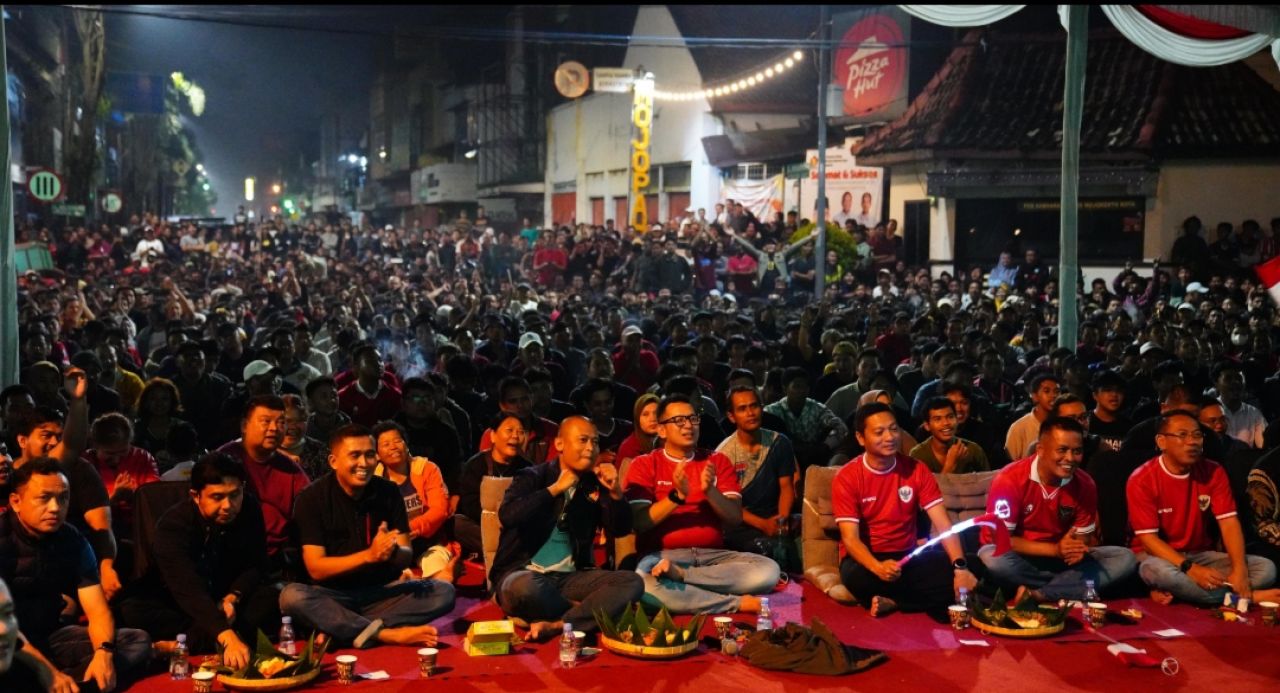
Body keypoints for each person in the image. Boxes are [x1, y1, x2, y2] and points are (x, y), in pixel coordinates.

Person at [280, 424, 456, 648]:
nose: (364, 463)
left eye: (370, 455)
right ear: (334, 462)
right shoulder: (311, 498)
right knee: (291, 597)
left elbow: (405, 553)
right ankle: (385, 634)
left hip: (381, 593)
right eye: (355, 455)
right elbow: (316, 567)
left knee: (444, 592)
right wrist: (369, 556)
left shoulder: (388, 492)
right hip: (332, 595)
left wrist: (392, 552)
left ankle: (341, 629)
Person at [1, 458, 152, 691]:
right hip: (9, 643)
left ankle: (64, 683)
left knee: (135, 640)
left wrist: (104, 653)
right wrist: (45, 670)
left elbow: (97, 609)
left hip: (50, 637)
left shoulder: (72, 539)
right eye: (44, 498)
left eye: (63, 498)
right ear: (16, 502)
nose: (55, 507)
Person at [116, 453, 278, 670]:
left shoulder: (249, 508)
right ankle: (214, 637)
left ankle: (179, 644)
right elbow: (186, 588)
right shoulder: (173, 526)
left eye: (235, 494)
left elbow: (257, 564)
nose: (229, 505)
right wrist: (227, 636)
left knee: (271, 597)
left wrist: (233, 597)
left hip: (227, 596)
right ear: (195, 495)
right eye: (217, 497)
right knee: (132, 610)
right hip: (182, 602)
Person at [625, 395, 780, 614]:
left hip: (714, 558)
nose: (688, 425)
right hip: (662, 558)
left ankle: (684, 580)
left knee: (768, 571)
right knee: (643, 584)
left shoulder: (717, 461)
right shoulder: (644, 464)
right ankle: (734, 603)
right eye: (679, 420)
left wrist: (710, 491)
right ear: (661, 430)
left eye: (692, 418)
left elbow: (734, 518)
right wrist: (676, 497)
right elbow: (639, 523)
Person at [491, 417, 643, 639]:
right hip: (523, 572)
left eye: (595, 442)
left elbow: (620, 530)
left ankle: (558, 625)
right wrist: (554, 490)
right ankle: (586, 610)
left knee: (632, 582)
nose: (591, 448)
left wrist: (616, 494)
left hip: (570, 578)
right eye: (583, 440)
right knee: (523, 588)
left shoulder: (594, 483)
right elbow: (508, 516)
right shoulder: (533, 476)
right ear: (560, 444)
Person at [832, 403, 978, 617]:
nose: (890, 437)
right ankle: (922, 599)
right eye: (879, 432)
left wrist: (960, 568)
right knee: (856, 578)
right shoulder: (847, 477)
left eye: (893, 429)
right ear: (861, 438)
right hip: (867, 559)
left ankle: (894, 602)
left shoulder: (916, 469)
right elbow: (851, 540)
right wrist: (877, 567)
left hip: (907, 556)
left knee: (972, 565)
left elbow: (943, 524)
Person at [1127, 411, 1279, 606]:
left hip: (1199, 553)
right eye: (1182, 435)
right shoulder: (1142, 478)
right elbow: (1148, 541)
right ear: (1162, 441)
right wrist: (1191, 569)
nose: (1192, 442)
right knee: (1159, 572)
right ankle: (1245, 597)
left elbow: (1229, 523)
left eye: (1197, 435)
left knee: (1265, 568)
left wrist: (1239, 570)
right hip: (1156, 557)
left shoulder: (1213, 471)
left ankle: (1192, 592)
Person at [979, 417, 1137, 601]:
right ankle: (1066, 587)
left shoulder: (1085, 484)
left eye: (1077, 451)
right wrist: (1055, 549)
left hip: (1061, 561)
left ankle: (1039, 594)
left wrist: (1076, 548)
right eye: (1062, 450)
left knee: (1125, 557)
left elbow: (1083, 537)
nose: (1070, 458)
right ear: (1040, 450)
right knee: (991, 556)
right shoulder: (1010, 479)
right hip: (1022, 557)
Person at [216, 395, 310, 566]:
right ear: (245, 426)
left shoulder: (292, 470)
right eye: (266, 421)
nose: (274, 428)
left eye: (281, 422)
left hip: (276, 560)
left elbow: (310, 513)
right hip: (225, 555)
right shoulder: (223, 459)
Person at [715, 386, 797, 555]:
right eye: (742, 409)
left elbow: (787, 487)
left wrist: (781, 522)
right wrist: (763, 525)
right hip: (741, 524)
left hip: (777, 518)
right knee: (764, 548)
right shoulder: (723, 454)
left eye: (754, 406)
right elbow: (728, 506)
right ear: (731, 416)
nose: (750, 413)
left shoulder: (779, 443)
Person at [370, 421, 457, 580]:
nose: (393, 447)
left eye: (397, 441)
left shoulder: (427, 469)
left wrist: (408, 529)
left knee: (438, 568)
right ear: (377, 454)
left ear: (406, 444)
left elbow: (440, 510)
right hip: (392, 547)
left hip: (427, 542)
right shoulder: (373, 480)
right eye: (386, 444)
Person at [454, 413, 533, 560]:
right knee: (457, 524)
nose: (515, 436)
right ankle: (509, 552)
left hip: (513, 528)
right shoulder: (476, 465)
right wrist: (495, 519)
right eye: (509, 430)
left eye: (520, 432)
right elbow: (469, 504)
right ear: (493, 436)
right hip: (483, 525)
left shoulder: (528, 469)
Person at [908, 397, 989, 474]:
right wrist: (950, 465)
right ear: (927, 426)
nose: (946, 423)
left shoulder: (974, 451)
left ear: (957, 420)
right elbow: (921, 488)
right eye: (938, 419)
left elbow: (989, 485)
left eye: (950, 417)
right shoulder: (918, 455)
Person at [1005, 373, 1060, 460]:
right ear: (1034, 396)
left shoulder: (1064, 424)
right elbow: (1010, 466)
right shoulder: (1019, 428)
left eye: (1057, 391)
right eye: (1047, 391)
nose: (1054, 395)